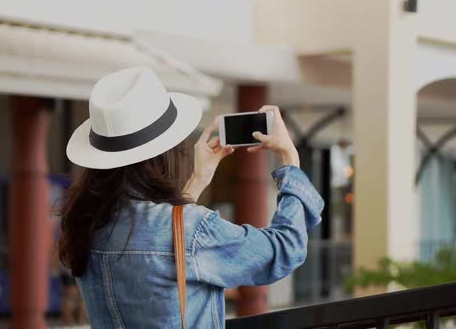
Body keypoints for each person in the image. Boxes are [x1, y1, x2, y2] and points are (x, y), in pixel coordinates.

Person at [59, 67, 323, 328]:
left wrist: (198, 181)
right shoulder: (193, 230)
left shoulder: (87, 223)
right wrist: (291, 159)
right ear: (164, 153)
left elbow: (164, 239)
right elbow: (285, 249)